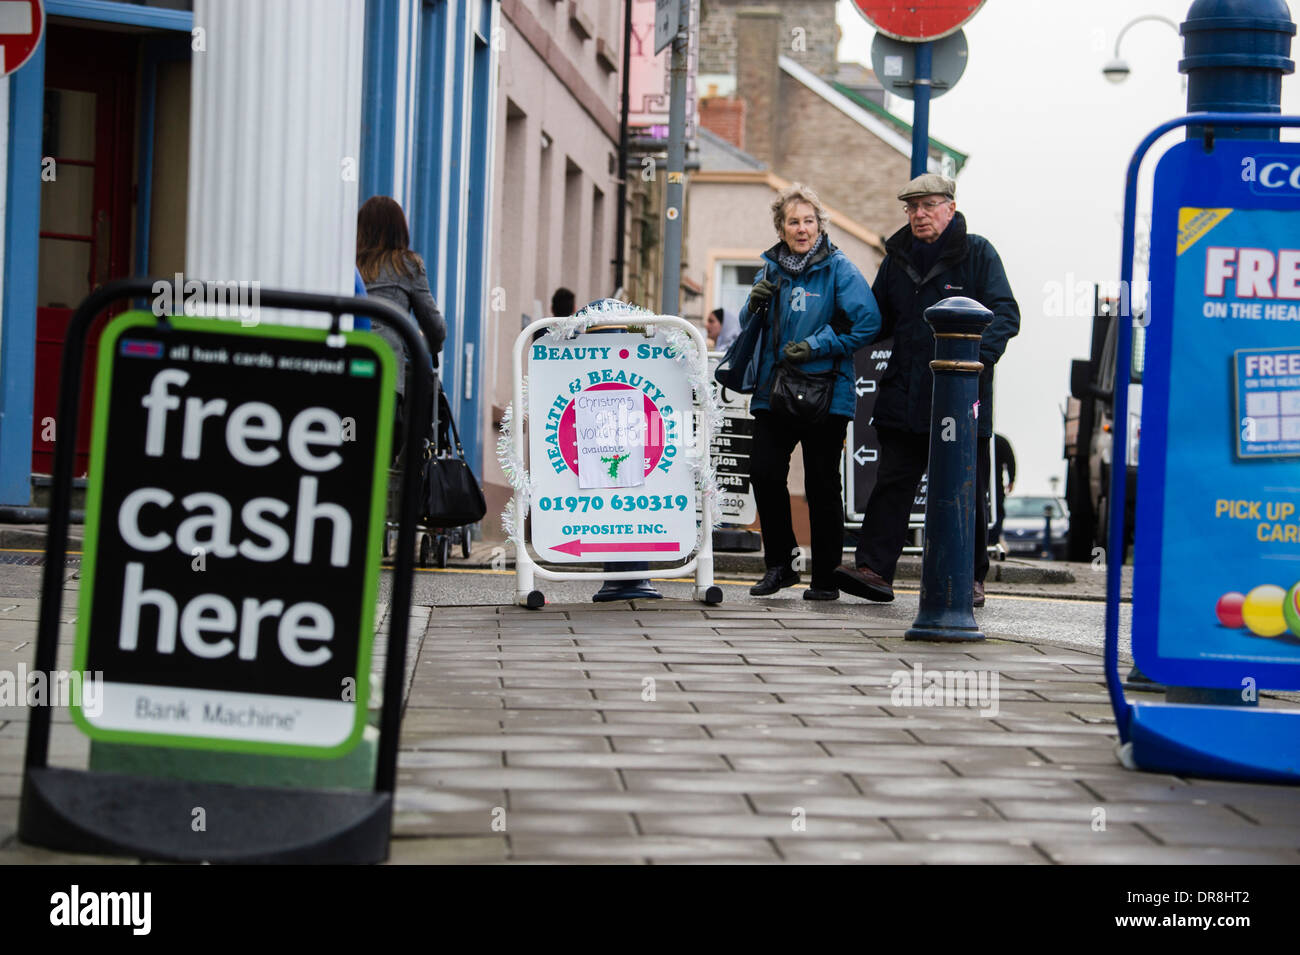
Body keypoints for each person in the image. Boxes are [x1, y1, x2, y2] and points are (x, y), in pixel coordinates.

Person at [835, 173, 1020, 608]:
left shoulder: (978, 253)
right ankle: (874, 570)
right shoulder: (897, 259)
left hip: (961, 398)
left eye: (929, 205)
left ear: (950, 208)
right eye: (912, 207)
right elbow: (874, 320)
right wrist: (831, 331)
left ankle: (968, 579)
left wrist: (973, 361)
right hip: (905, 393)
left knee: (965, 490)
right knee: (892, 484)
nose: (919, 214)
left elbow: (1006, 315)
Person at [741, 183, 882, 600]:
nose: (801, 229)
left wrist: (816, 346)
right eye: (793, 222)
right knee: (764, 472)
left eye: (808, 221)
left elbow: (868, 323)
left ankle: (824, 579)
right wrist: (753, 304)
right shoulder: (770, 270)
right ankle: (781, 565)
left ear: (820, 225)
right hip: (774, 389)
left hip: (827, 391)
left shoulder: (840, 269)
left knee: (822, 485)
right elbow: (751, 327)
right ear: (781, 229)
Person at [356, 196, 446, 457]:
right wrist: (427, 345)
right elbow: (435, 327)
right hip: (386, 376)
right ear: (399, 229)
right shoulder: (406, 265)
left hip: (348, 367)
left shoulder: (348, 263)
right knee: (384, 454)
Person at [990, 432, 1016, 543]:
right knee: (997, 511)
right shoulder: (1000, 440)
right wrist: (1011, 480)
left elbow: (1010, 461)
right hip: (995, 485)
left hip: (981, 483)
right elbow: (1011, 461)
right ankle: (993, 540)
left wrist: (1011, 479)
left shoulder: (974, 439)